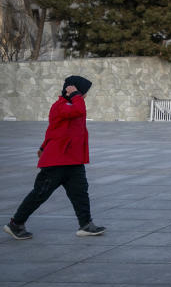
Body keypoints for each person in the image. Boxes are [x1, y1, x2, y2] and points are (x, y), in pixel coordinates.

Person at [4, 75, 106, 240]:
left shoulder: (72, 103)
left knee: (80, 193)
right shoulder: (61, 105)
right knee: (40, 194)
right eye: (84, 92)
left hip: (73, 160)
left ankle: (86, 225)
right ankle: (16, 224)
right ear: (74, 90)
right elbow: (79, 110)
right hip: (57, 161)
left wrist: (43, 146)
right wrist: (75, 95)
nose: (86, 95)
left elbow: (53, 130)